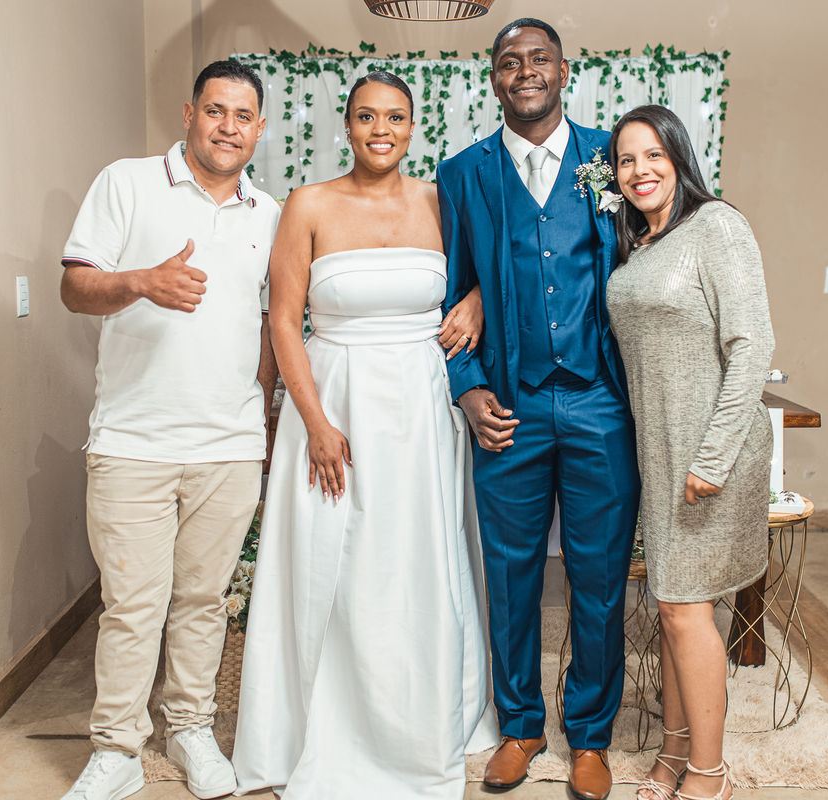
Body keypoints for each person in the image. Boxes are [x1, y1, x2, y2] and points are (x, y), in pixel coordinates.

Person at [230, 71, 497, 800]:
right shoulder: (308, 204)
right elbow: (285, 321)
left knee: (412, 558)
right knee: (333, 558)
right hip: (334, 399)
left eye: (396, 117)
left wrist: (475, 299)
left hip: (421, 409)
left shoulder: (441, 201)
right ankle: (328, 725)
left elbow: (491, 270)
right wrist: (315, 422)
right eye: (367, 116)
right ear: (346, 125)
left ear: (413, 126)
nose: (382, 130)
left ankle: (418, 718)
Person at [58, 61, 279, 800]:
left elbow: (269, 326)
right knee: (132, 606)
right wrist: (141, 282)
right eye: (215, 111)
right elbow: (74, 286)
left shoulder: (269, 213)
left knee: (204, 601)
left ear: (259, 128)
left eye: (242, 116)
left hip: (229, 446)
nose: (227, 127)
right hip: (133, 442)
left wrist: (263, 421)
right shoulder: (126, 182)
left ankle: (189, 729)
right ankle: (117, 750)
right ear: (189, 114)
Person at [439, 18, 641, 800]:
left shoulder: (611, 158)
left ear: (563, 70)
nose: (525, 71)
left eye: (539, 59)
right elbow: (448, 290)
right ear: (493, 78)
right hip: (508, 407)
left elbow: (646, 257)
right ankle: (520, 727)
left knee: (599, 578)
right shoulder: (462, 175)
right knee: (512, 576)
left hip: (600, 403)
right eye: (509, 61)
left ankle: (589, 736)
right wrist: (467, 387)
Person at [605, 104, 775, 800]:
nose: (639, 170)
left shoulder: (717, 226)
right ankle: (675, 753)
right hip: (661, 451)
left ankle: (710, 773)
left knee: (684, 609)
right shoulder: (640, 244)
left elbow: (752, 346)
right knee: (673, 605)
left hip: (710, 452)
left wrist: (713, 457)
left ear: (679, 157)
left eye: (654, 155)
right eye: (626, 160)